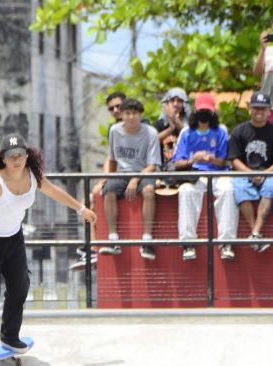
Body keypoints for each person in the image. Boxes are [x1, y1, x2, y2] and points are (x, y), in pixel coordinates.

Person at [0, 133, 96, 363]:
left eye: (21, 155)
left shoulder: (33, 176)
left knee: (20, 286)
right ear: (3, 159)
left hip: (13, 237)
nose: (17, 160)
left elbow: (55, 192)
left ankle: (9, 336)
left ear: (27, 156)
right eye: (11, 156)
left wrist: (81, 209)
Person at [171, 93, 238, 261]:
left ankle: (227, 243)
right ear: (195, 111)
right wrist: (193, 159)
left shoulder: (221, 131)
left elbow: (224, 161)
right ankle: (188, 243)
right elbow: (177, 163)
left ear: (213, 112)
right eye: (201, 111)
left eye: (207, 111)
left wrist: (210, 158)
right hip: (195, 175)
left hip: (218, 173)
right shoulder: (186, 132)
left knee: (229, 190)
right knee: (185, 191)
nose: (204, 114)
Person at [70, 91, 127, 271]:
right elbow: (111, 158)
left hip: (131, 177)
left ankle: (95, 248)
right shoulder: (113, 130)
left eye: (119, 106)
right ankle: (93, 248)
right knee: (86, 201)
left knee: (94, 196)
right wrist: (103, 180)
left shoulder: (139, 126)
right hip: (116, 177)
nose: (116, 110)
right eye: (111, 108)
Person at [100, 98, 161, 259]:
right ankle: (113, 239)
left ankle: (147, 240)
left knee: (149, 190)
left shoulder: (151, 132)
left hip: (143, 172)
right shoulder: (114, 130)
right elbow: (112, 159)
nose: (131, 117)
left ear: (140, 115)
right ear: (122, 115)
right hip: (122, 173)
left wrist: (135, 179)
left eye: (135, 113)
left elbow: (152, 165)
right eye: (127, 113)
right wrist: (107, 178)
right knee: (109, 190)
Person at [229, 91, 273, 252]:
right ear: (249, 109)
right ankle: (255, 233)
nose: (259, 112)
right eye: (256, 108)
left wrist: (265, 173)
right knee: (239, 185)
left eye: (263, 108)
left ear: (269, 111)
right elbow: (234, 159)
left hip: (269, 173)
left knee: (271, 185)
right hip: (245, 173)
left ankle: (255, 232)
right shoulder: (239, 131)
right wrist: (250, 173)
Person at [155, 87, 189, 171]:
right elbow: (153, 140)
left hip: (184, 167)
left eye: (179, 101)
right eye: (172, 100)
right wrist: (170, 129)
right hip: (162, 167)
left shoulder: (189, 123)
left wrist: (175, 120)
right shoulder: (160, 123)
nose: (175, 104)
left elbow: (190, 137)